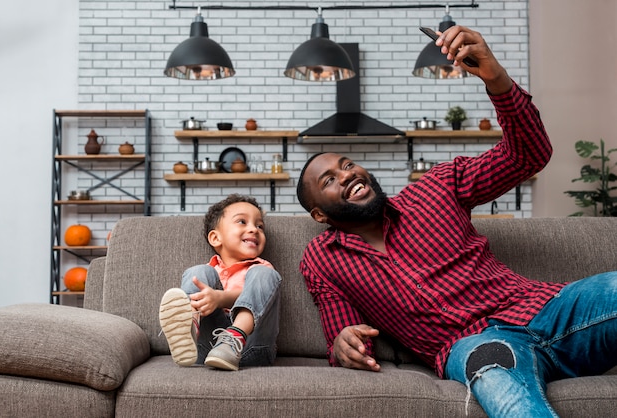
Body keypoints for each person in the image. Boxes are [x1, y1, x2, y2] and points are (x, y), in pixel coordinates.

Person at [296, 26, 617, 417]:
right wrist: (344, 344)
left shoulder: (436, 188)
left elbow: (527, 156)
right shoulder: (321, 259)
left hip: (547, 310)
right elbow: (347, 337)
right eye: (329, 180)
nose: (347, 174)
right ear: (318, 214)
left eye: (347, 165)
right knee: (493, 369)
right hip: (474, 344)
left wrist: (495, 78)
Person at [159, 194, 282, 371]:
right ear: (216, 238)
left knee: (266, 274)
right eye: (242, 222)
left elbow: (254, 296)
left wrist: (219, 298)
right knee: (197, 272)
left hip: (252, 347)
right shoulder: (209, 274)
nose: (254, 229)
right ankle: (189, 329)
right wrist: (207, 300)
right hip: (207, 349)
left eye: (259, 226)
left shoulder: (261, 268)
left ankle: (234, 336)